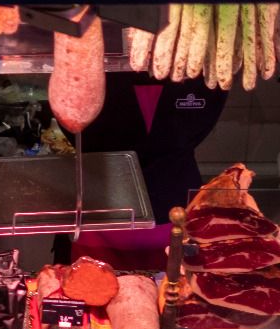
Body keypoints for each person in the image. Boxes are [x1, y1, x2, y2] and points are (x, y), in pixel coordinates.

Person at [64, 70, 229, 271]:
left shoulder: (199, 77)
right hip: (101, 219)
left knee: (172, 296)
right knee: (94, 295)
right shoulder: (91, 73)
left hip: (173, 218)